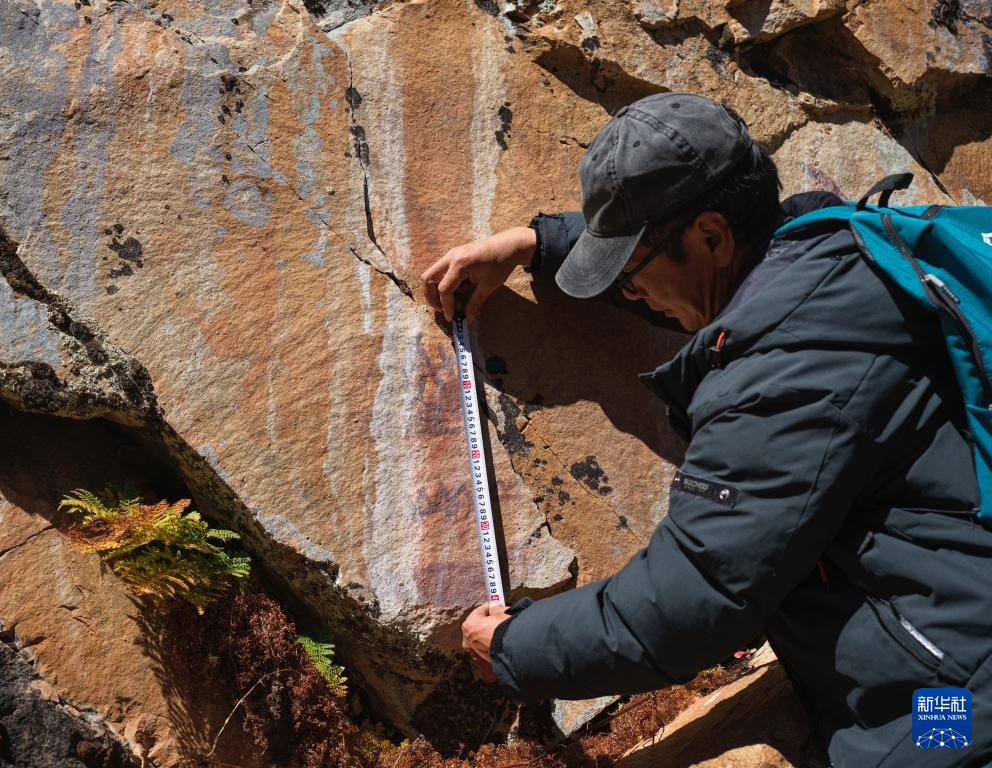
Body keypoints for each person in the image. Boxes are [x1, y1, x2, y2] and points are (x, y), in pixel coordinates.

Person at [422, 93, 992, 767]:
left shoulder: (786, 379)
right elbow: (705, 281)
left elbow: (692, 599)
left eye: (629, 272)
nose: (631, 292)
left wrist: (514, 647)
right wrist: (536, 245)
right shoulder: (832, 249)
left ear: (714, 236)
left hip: (958, 705)